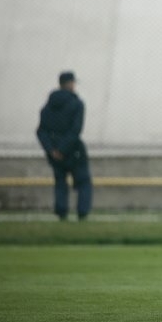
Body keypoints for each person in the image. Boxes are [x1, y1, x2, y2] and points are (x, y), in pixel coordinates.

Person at [36, 71, 93, 221]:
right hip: (74, 150)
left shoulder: (48, 107)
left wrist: (51, 149)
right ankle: (82, 212)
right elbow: (76, 130)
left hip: (54, 150)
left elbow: (41, 131)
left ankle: (61, 212)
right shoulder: (77, 104)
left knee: (60, 182)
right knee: (83, 181)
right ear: (70, 83)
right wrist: (63, 148)